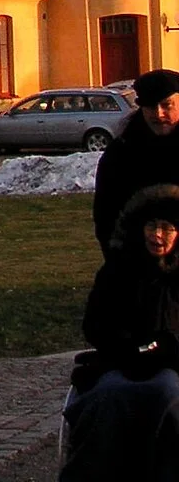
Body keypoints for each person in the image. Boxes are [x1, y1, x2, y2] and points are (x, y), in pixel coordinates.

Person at [61, 183, 179, 481]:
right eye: (152, 226)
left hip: (173, 366)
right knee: (108, 395)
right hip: (120, 362)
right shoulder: (118, 270)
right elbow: (94, 324)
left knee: (166, 393)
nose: (158, 235)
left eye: (167, 228)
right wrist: (126, 345)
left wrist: (166, 344)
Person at [95, 69, 179, 246]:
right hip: (137, 263)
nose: (158, 114)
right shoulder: (122, 153)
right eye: (150, 107)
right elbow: (106, 215)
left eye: (167, 105)